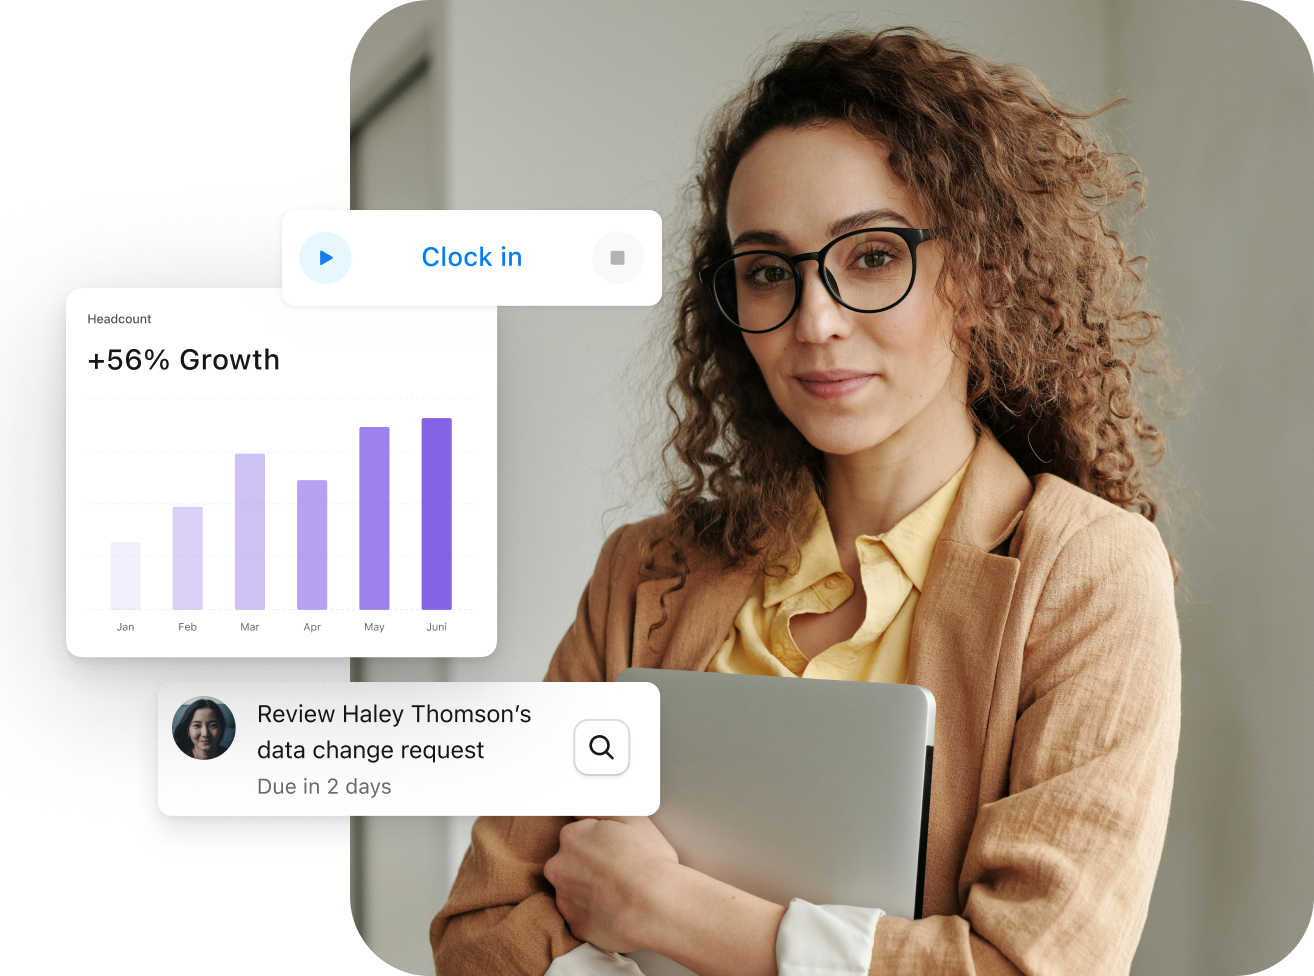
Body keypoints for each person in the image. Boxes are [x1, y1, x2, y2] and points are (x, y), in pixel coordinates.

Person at [432, 27, 1180, 976]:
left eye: (871, 256)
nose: (815, 321)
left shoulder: (1087, 572)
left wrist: (664, 910)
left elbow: (1030, 964)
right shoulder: (643, 572)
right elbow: (482, 933)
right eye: (768, 270)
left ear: (981, 271)